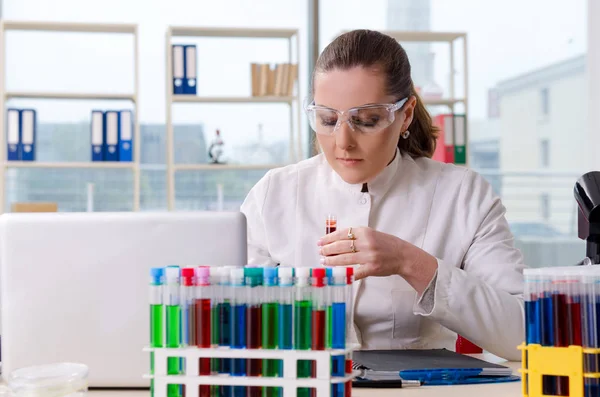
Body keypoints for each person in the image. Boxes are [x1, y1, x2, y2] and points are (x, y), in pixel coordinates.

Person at [240, 29, 524, 361]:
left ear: (405, 115)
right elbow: (221, 317)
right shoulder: (273, 194)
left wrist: (412, 263)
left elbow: (521, 333)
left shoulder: (462, 195)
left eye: (367, 120)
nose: (343, 142)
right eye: (328, 119)